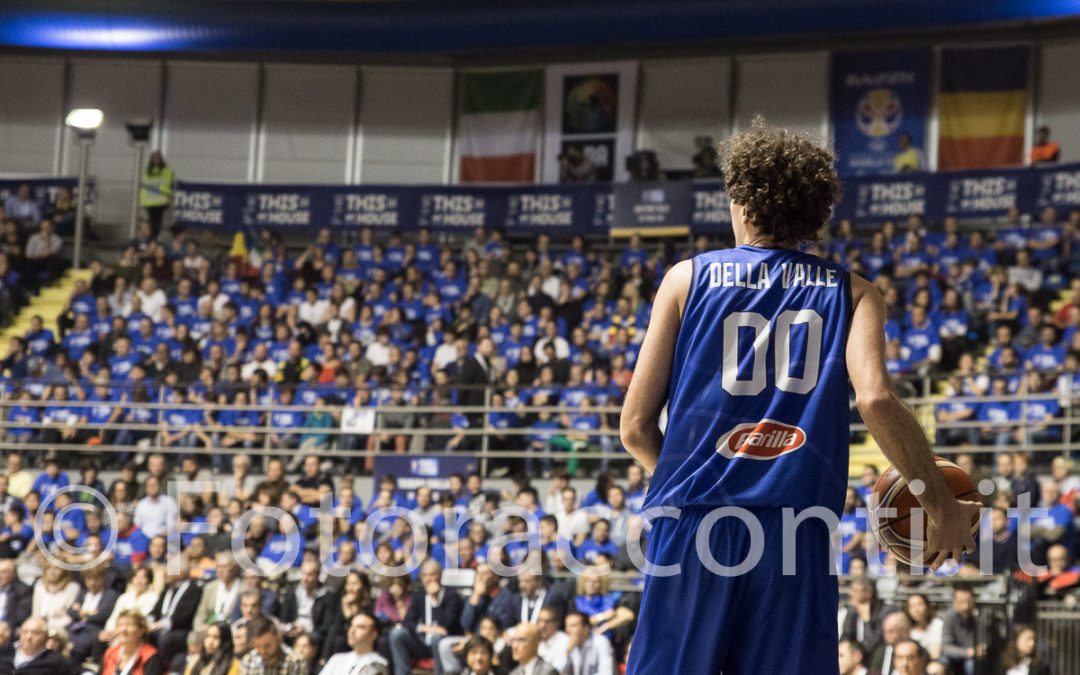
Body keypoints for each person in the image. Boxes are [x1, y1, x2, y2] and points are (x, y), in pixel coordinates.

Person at [619, 119, 979, 674]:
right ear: (815, 213)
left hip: (693, 524)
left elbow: (636, 429)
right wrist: (939, 504)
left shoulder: (684, 279)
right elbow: (877, 401)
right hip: (796, 528)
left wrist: (694, 480)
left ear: (743, 202)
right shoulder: (855, 292)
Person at [388, 560, 463, 675]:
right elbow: (408, 621)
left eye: (432, 575)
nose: (428, 579)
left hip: (442, 643)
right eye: (425, 575)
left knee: (437, 637)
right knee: (396, 634)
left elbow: (448, 625)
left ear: (440, 576)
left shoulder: (451, 595)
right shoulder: (419, 594)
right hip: (422, 642)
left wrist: (435, 600)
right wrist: (427, 629)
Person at [316, 613, 388, 675]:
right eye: (352, 626)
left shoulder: (379, 664)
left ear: (374, 634)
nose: (352, 631)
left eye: (360, 627)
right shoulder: (337, 658)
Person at [0, 617, 72, 675]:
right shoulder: (4, 651)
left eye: (35, 633)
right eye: (25, 632)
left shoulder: (55, 660)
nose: (28, 637)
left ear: (46, 636)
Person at [101, 610, 164, 675]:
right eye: (120, 625)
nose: (123, 629)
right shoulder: (110, 652)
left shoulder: (150, 657)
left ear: (141, 630)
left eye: (129, 625)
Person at [237, 618, 304, 675]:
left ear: (278, 639)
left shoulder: (295, 661)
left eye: (267, 645)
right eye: (258, 647)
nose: (263, 651)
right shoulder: (248, 661)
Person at [563, 611, 614, 675]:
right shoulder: (570, 645)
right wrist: (568, 653)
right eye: (567, 626)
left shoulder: (601, 642)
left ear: (586, 628)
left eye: (573, 626)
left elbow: (607, 673)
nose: (568, 630)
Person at [140, 152, 175, 238]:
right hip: (149, 202)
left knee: (156, 222)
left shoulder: (166, 171)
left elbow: (170, 185)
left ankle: (153, 238)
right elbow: (144, 186)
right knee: (152, 222)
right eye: (154, 158)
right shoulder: (148, 172)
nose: (156, 160)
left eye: (157, 158)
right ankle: (151, 238)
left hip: (160, 201)